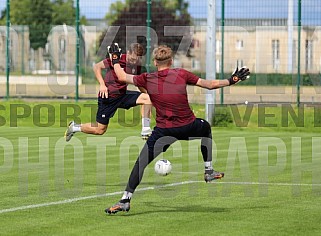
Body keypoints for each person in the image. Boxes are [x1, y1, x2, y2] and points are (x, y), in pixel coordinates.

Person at [105, 44, 250, 214]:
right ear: (171, 61)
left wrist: (114, 58)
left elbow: (121, 76)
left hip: (164, 132)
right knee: (206, 128)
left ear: (154, 62)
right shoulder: (181, 73)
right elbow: (210, 84)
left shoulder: (147, 78)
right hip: (188, 126)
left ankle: (125, 200)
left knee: (141, 164)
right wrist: (231, 80)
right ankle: (208, 170)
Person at [64, 43, 152, 142]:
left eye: (136, 59)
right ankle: (75, 127)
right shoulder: (116, 59)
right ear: (127, 53)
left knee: (147, 98)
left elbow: (138, 83)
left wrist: (149, 96)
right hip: (108, 97)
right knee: (100, 130)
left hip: (122, 95)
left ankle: (145, 129)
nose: (134, 61)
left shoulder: (136, 65)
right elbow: (96, 67)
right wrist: (102, 84)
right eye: (132, 59)